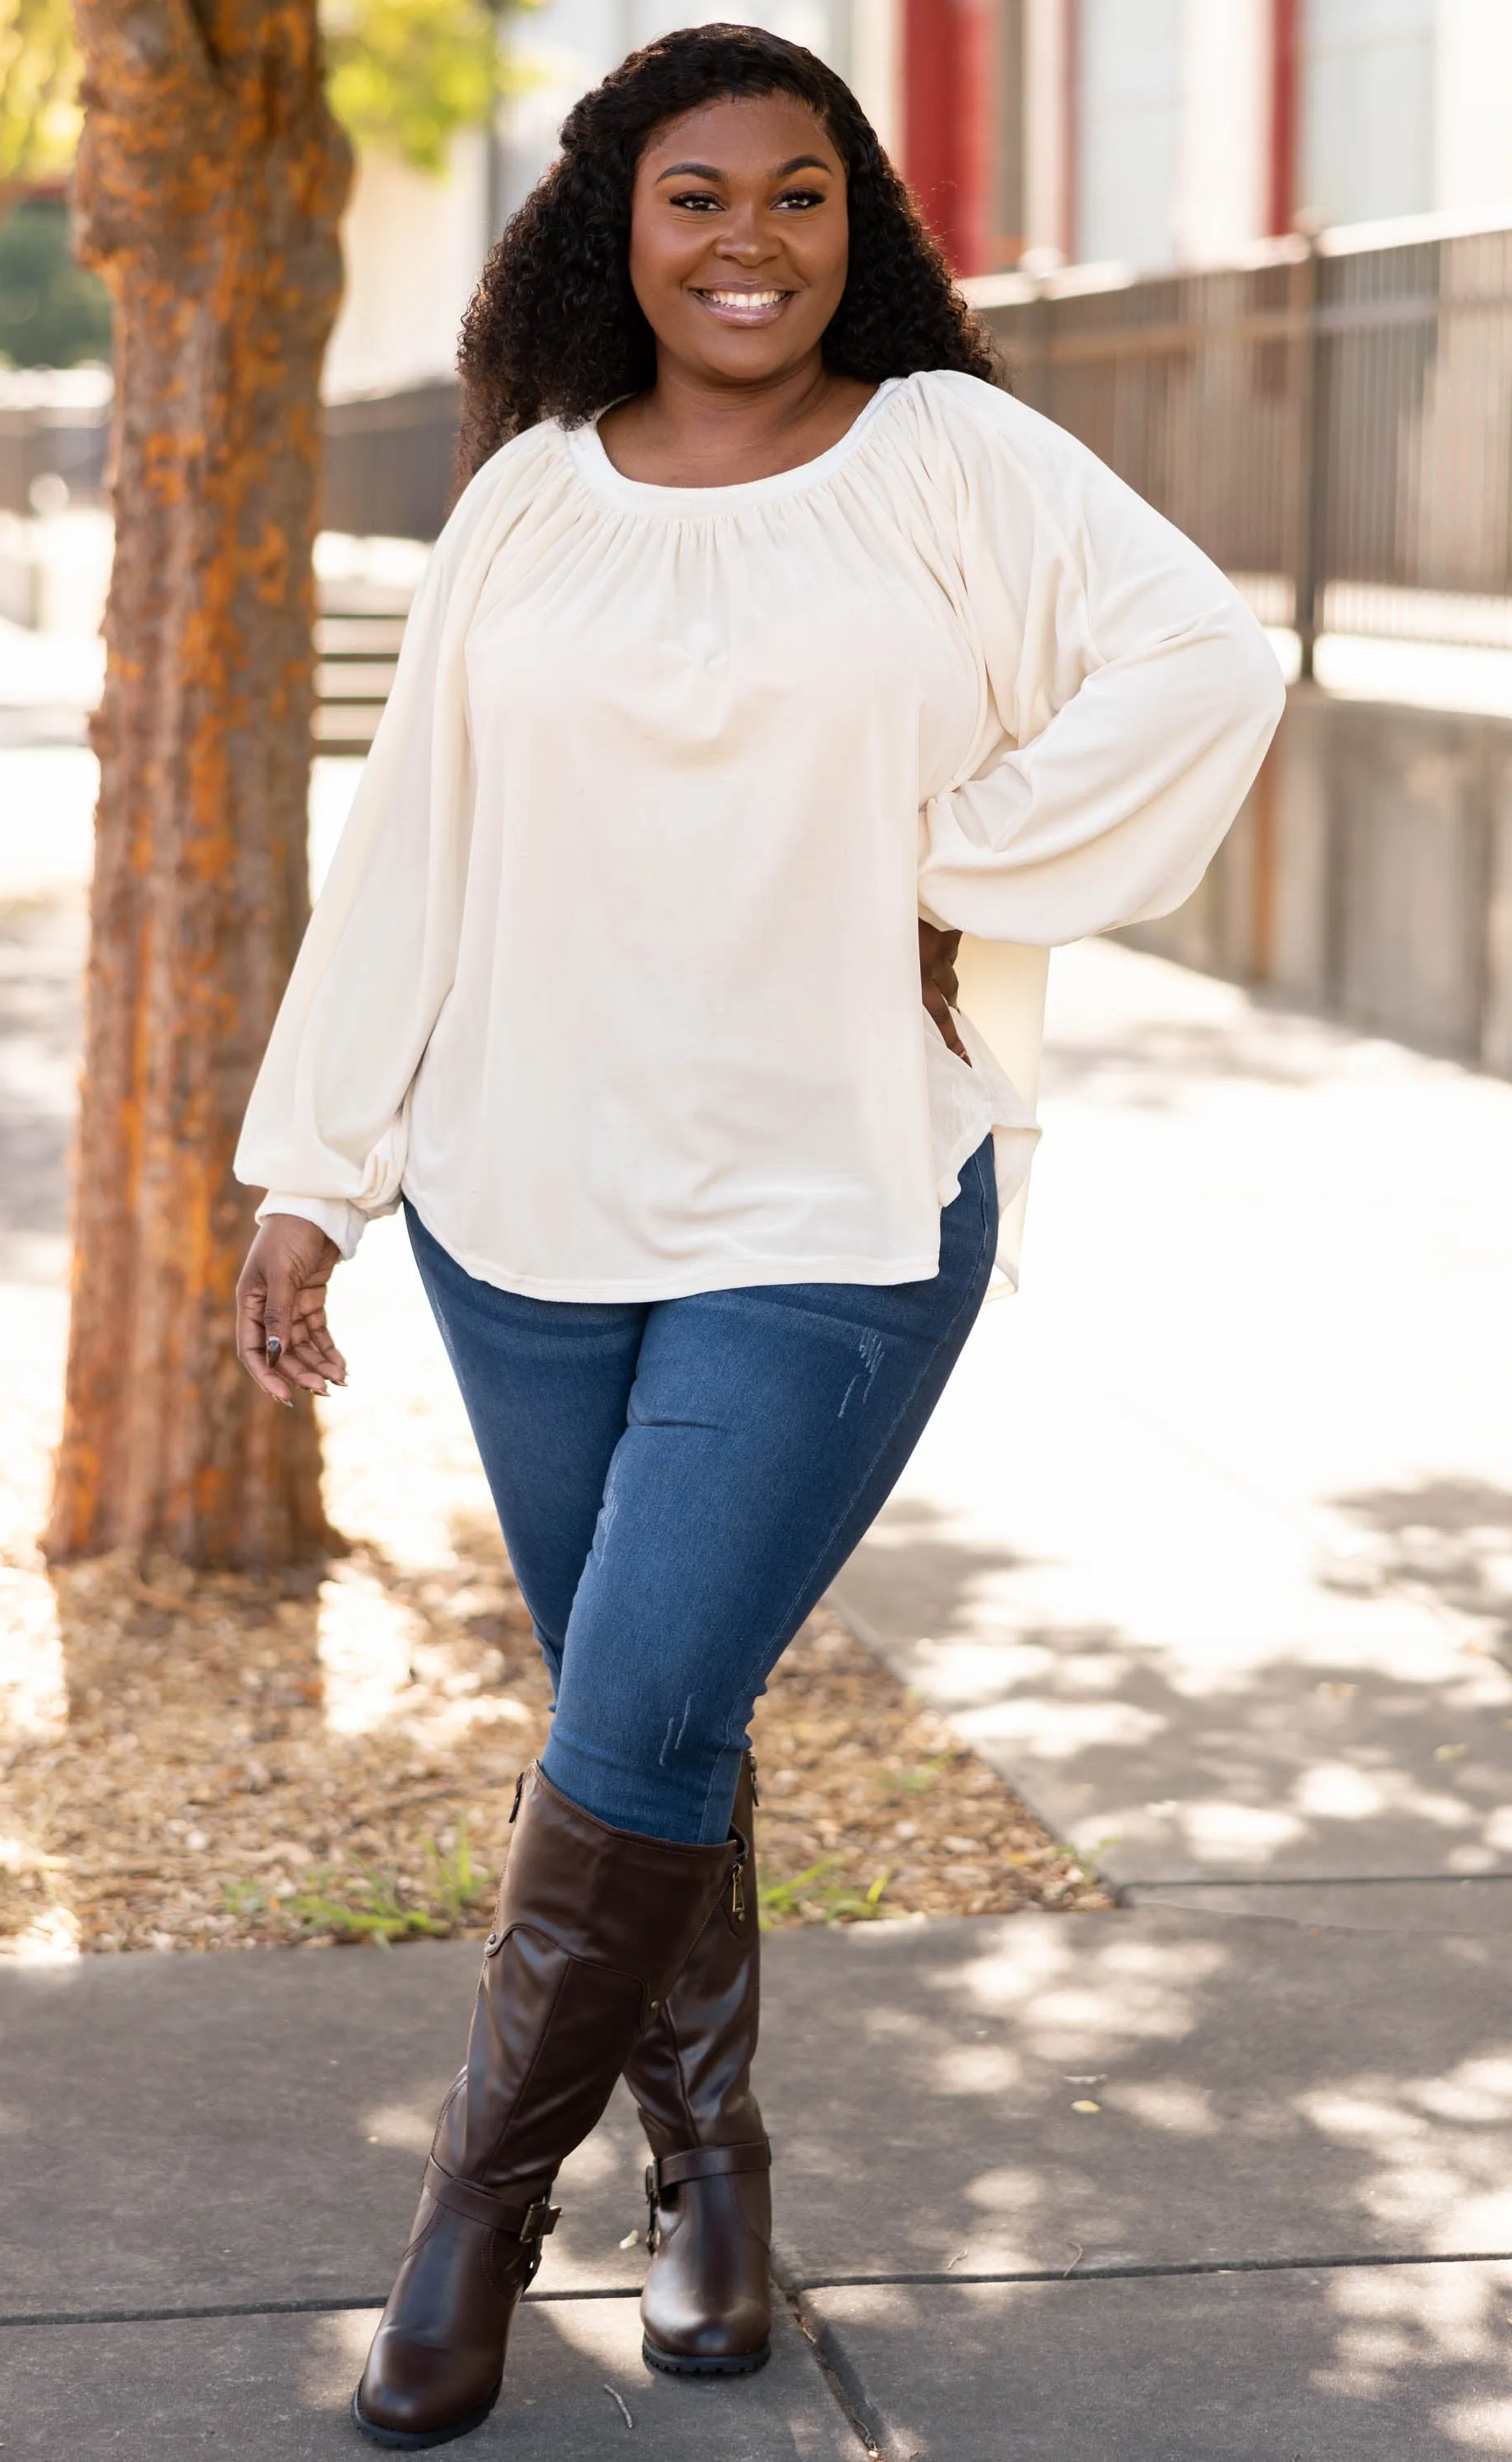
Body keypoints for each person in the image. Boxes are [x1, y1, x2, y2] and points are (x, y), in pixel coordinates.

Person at [233, 23, 1283, 2447]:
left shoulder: (949, 456)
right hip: (521, 1200)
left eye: (800, 197)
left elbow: (1201, 660)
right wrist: (320, 1171)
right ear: (619, 218)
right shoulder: (526, 500)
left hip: (835, 1192)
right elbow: (415, 849)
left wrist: (955, 864)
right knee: (660, 1717)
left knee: (632, 1710)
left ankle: (464, 2219)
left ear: (857, 226)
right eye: (699, 195)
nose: (750, 241)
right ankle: (713, 2169)